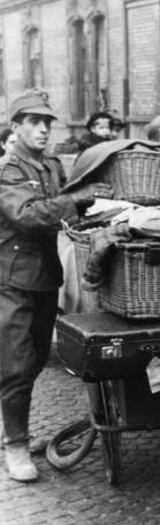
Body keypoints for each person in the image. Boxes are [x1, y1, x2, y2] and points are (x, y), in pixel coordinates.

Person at [0, 88, 113, 482]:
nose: (44, 130)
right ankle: (15, 446)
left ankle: (14, 432)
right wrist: (76, 201)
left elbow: (64, 215)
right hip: (11, 281)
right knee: (15, 363)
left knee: (32, 361)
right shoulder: (8, 169)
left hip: (45, 277)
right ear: (16, 128)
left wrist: (100, 215)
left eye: (48, 122)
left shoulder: (50, 167)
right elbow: (27, 214)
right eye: (34, 122)